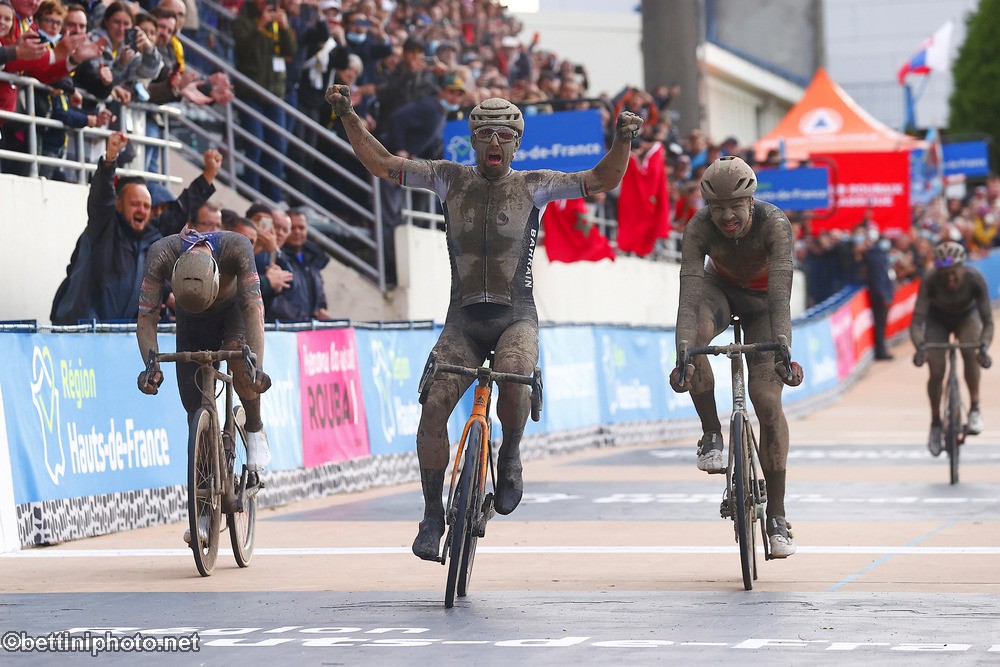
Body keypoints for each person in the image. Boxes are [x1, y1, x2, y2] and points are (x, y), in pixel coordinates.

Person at [325, 84, 643, 561]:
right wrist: (347, 113)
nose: (495, 142)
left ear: (517, 144)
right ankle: (432, 515)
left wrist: (622, 140)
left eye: (504, 135)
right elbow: (383, 164)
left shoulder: (535, 184)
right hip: (464, 323)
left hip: (516, 318)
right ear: (471, 141)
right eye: (485, 134)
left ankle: (510, 453)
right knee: (434, 407)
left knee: (515, 383)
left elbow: (601, 180)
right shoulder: (447, 178)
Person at [669, 155, 804, 559]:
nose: (726, 217)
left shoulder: (775, 224)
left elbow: (781, 295)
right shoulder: (698, 227)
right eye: (717, 208)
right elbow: (689, 295)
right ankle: (711, 432)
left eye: (735, 208)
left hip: (765, 304)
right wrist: (682, 354)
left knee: (767, 401)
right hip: (719, 292)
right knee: (694, 341)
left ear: (752, 203)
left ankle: (777, 515)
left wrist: (783, 348)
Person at [135, 226, 272, 542]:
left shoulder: (237, 247)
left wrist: (256, 366)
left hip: (233, 313)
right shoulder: (161, 254)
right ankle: (204, 511)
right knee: (193, 409)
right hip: (191, 320)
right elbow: (146, 319)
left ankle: (253, 427)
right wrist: (150, 363)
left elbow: (254, 310)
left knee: (242, 366)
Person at [50, 133, 220, 323]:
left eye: (146, 206)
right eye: (135, 204)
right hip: (81, 330)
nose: (142, 210)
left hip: (120, 334)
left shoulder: (153, 234)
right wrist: (109, 160)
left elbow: (181, 209)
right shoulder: (104, 225)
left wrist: (208, 175)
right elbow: (101, 196)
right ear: (119, 205)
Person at [910, 241, 993, 454]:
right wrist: (920, 347)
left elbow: (988, 322)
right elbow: (917, 321)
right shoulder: (929, 280)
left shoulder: (975, 279)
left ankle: (975, 407)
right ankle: (936, 422)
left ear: (963, 267)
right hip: (937, 320)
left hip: (967, 317)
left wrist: (983, 347)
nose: (950, 279)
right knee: (936, 370)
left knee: (970, 351)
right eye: (944, 274)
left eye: (954, 272)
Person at [269, 208, 329, 321]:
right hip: (284, 331)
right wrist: (303, 319)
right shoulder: (275, 257)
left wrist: (320, 311)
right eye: (292, 228)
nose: (297, 232)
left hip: (308, 331)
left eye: (301, 227)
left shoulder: (313, 260)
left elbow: (320, 300)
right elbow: (273, 301)